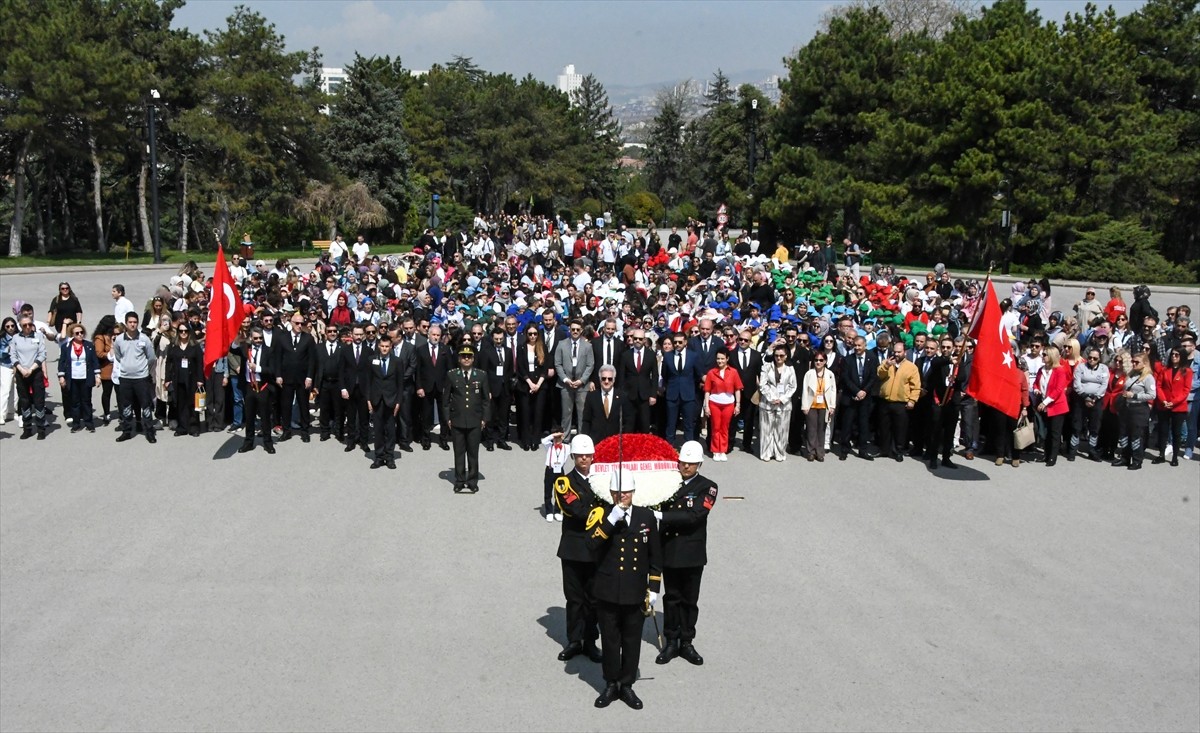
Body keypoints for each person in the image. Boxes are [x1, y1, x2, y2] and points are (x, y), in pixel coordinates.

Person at [587, 471, 661, 710]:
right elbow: (591, 545)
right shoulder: (601, 514)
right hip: (607, 590)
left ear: (633, 492)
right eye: (618, 492)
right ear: (611, 493)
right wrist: (611, 519)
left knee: (631, 641)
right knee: (610, 641)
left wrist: (654, 588)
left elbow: (655, 557)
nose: (623, 496)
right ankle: (610, 683)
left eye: (627, 492)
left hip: (634, 591)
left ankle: (627, 684)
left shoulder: (646, 517)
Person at [653, 440, 715, 667]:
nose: (685, 467)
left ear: (699, 464)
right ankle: (671, 639)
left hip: (692, 552)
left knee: (690, 599)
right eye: (682, 463)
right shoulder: (668, 483)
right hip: (669, 550)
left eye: (690, 464)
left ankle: (687, 640)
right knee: (671, 598)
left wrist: (663, 518)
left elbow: (695, 516)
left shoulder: (708, 487)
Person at [554, 434, 604, 665]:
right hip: (574, 547)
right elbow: (576, 509)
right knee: (574, 598)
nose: (584, 459)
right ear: (573, 456)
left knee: (594, 598)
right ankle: (574, 640)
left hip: (598, 547)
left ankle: (590, 640)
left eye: (587, 455)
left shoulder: (603, 479)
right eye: (580, 455)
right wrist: (603, 513)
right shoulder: (564, 481)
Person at [443, 345, 491, 493]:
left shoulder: (481, 375)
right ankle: (459, 480)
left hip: (475, 420)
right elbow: (445, 400)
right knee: (458, 452)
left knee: (473, 452)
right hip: (457, 419)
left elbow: (485, 400)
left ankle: (472, 480)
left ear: (473, 358)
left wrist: (484, 418)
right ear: (459, 358)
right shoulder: (452, 375)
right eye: (463, 356)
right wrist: (447, 419)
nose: (466, 359)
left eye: (469, 356)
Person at [112, 311, 157, 444]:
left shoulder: (144, 339)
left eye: (135, 322)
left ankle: (149, 431)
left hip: (141, 377)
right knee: (126, 406)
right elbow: (118, 356)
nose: (132, 324)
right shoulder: (119, 339)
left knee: (146, 406)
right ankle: (126, 431)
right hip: (125, 378)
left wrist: (143, 369)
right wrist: (128, 366)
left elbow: (151, 358)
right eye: (130, 322)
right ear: (126, 323)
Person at [876, 341, 920, 461]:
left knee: (900, 428)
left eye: (899, 352)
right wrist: (887, 365)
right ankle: (884, 450)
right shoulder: (887, 362)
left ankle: (898, 451)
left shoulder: (911, 367)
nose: (896, 354)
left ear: (904, 352)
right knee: (884, 427)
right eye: (894, 351)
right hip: (885, 400)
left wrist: (912, 400)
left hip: (901, 402)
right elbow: (879, 375)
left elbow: (915, 386)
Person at [238, 326, 278, 454]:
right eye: (256, 338)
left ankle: (268, 443)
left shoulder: (269, 351)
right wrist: (237, 340)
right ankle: (248, 442)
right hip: (249, 386)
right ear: (251, 338)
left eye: (260, 338)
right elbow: (233, 349)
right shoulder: (245, 349)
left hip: (263, 386)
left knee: (265, 416)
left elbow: (272, 370)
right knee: (249, 416)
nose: (258, 340)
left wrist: (258, 368)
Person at [366, 333, 403, 470]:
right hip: (376, 399)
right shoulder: (371, 360)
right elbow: (368, 381)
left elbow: (400, 384)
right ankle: (379, 457)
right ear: (378, 346)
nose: (384, 348)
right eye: (382, 346)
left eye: (387, 346)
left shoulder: (397, 361)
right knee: (378, 429)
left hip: (391, 400)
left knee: (390, 430)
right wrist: (368, 399)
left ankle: (390, 457)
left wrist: (399, 401)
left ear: (391, 347)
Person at [1112, 352, 1155, 470]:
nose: (1134, 364)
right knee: (1124, 434)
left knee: (1136, 436)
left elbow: (1152, 395)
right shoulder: (1131, 374)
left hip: (1139, 409)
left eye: (1137, 362)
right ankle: (1125, 457)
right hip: (1127, 407)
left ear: (1145, 363)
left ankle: (1137, 460)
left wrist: (1135, 396)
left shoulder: (1148, 377)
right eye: (1133, 362)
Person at [838, 336, 877, 461]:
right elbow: (845, 378)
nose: (857, 348)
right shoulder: (847, 359)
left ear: (865, 345)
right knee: (847, 424)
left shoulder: (872, 358)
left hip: (865, 397)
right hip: (851, 396)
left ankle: (863, 450)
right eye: (855, 345)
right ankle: (844, 449)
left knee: (863, 425)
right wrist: (857, 391)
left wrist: (864, 391)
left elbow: (873, 377)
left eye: (859, 345)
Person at [415, 324, 452, 450]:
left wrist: (449, 387)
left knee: (443, 414)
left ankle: (443, 439)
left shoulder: (445, 349)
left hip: (442, 387)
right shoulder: (421, 350)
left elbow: (450, 370)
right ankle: (426, 439)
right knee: (426, 415)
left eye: (438, 335)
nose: (435, 337)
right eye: (433, 335)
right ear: (429, 335)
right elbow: (418, 371)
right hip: (426, 387)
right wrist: (419, 387)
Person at [10, 316, 48, 439]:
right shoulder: (16, 338)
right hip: (21, 372)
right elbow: (13, 355)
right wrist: (21, 369)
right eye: (24, 325)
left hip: (35, 371)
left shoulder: (38, 336)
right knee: (24, 400)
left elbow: (42, 354)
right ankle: (27, 428)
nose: (27, 327)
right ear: (20, 326)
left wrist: (31, 369)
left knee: (39, 400)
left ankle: (41, 428)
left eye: (29, 324)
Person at [476, 327, 514, 451]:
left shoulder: (508, 351)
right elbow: (484, 372)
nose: (498, 341)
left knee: (503, 416)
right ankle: (490, 441)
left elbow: (509, 370)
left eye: (501, 339)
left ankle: (501, 440)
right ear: (492, 338)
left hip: (505, 388)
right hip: (492, 388)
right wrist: (487, 390)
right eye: (496, 339)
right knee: (490, 416)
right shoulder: (486, 351)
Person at [701, 349, 742, 461]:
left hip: (728, 404)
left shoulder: (733, 372)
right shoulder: (711, 372)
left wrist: (737, 405)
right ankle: (715, 450)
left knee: (725, 428)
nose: (720, 361)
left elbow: (737, 389)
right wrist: (707, 406)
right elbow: (707, 391)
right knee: (715, 427)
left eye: (722, 358)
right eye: (718, 358)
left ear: (727, 359)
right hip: (714, 403)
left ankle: (722, 450)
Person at [1033, 345, 1070, 466]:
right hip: (1045, 406)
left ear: (1052, 356)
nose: (1042, 356)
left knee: (1055, 433)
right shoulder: (1041, 370)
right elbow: (1036, 384)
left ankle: (1052, 457)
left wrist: (1045, 402)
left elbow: (1058, 390)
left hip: (1056, 406)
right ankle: (1046, 454)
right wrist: (1036, 389)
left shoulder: (1060, 371)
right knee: (1046, 432)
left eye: (1045, 355)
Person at [554, 319, 594, 435]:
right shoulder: (561, 344)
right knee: (566, 413)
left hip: (582, 385)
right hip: (566, 384)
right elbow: (558, 363)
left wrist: (582, 380)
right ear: (569, 330)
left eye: (577, 329)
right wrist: (565, 379)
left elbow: (590, 365)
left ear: (581, 330)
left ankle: (581, 437)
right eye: (573, 329)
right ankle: (565, 438)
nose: (575, 331)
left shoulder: (587, 346)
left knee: (582, 413)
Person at [758, 345, 797, 462]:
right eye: (776, 355)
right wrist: (771, 398)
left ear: (786, 356)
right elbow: (762, 384)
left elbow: (793, 386)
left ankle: (780, 452)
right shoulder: (766, 367)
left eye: (781, 355)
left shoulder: (790, 369)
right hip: (767, 403)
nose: (778, 358)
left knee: (782, 430)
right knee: (766, 429)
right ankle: (766, 452)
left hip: (784, 404)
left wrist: (782, 399)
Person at [164, 323, 204, 436]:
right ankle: (182, 427)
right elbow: (168, 363)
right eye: (181, 331)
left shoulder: (195, 346)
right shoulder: (173, 346)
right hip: (178, 378)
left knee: (192, 403)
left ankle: (194, 427)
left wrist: (200, 379)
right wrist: (167, 379)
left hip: (192, 378)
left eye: (185, 331)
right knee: (180, 403)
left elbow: (200, 364)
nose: (183, 333)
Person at [1153, 348, 1191, 466]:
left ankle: (1175, 456)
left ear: (1182, 357)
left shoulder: (1187, 371)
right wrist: (1163, 400)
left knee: (1176, 432)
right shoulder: (1165, 370)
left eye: (1177, 355)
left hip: (1178, 407)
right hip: (1164, 405)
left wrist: (1173, 402)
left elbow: (1186, 390)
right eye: (1173, 354)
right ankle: (1161, 455)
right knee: (1163, 431)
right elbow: (1158, 386)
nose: (1174, 356)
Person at [1071, 347, 1109, 461]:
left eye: (1095, 358)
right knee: (1076, 425)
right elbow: (1077, 383)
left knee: (1095, 426)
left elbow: (1104, 385)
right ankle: (1073, 449)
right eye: (1090, 357)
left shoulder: (1103, 368)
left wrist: (1095, 397)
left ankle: (1092, 450)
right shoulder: (1080, 367)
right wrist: (1085, 396)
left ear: (1099, 359)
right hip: (1081, 398)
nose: (1092, 360)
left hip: (1096, 400)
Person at [515, 325, 549, 450]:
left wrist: (538, 384)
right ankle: (526, 440)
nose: (533, 336)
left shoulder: (542, 347)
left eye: (535, 333)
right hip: (525, 385)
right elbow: (520, 367)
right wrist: (530, 383)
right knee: (525, 414)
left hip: (540, 385)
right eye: (530, 334)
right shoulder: (521, 348)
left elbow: (545, 368)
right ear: (526, 334)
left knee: (538, 414)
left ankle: (535, 440)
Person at [339, 325, 372, 453]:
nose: (358, 337)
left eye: (360, 334)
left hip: (363, 389)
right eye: (356, 334)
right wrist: (342, 388)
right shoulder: (345, 350)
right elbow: (341, 371)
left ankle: (364, 442)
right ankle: (351, 442)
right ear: (351, 335)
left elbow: (371, 373)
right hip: (349, 389)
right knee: (351, 418)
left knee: (364, 419)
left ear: (363, 335)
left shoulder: (369, 351)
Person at [619, 328, 659, 433]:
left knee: (645, 424)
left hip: (645, 395)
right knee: (629, 425)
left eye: (640, 339)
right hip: (629, 395)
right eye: (635, 338)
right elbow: (621, 376)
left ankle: (643, 448)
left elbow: (655, 376)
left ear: (644, 340)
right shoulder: (626, 355)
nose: (637, 341)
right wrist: (621, 394)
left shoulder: (651, 355)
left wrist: (653, 395)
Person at [729, 329, 761, 454]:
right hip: (734, 393)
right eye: (740, 339)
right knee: (733, 421)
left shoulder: (756, 355)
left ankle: (747, 444)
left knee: (749, 421)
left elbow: (760, 374)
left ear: (750, 341)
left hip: (750, 393)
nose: (742, 342)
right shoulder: (731, 354)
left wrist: (760, 392)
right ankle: (730, 443)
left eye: (745, 340)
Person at [800, 351, 836, 461]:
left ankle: (820, 452)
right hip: (811, 405)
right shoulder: (809, 374)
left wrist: (832, 406)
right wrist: (804, 406)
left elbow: (833, 390)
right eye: (816, 360)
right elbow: (805, 390)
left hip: (824, 405)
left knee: (822, 430)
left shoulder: (830, 374)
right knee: (811, 429)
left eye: (821, 360)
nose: (818, 362)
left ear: (825, 361)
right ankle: (811, 451)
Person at [582, 365, 630, 443]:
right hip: (596, 441)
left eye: (610, 379)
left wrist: (625, 439)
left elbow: (628, 420)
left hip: (616, 442)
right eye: (603, 378)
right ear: (600, 379)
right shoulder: (591, 396)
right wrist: (585, 440)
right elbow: (586, 421)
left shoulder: (622, 396)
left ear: (614, 380)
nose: (606, 381)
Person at [540, 431, 571, 521]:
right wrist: (553, 435)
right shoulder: (549, 446)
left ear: (562, 438)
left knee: (560, 491)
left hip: (560, 471)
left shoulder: (567, 447)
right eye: (555, 438)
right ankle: (549, 512)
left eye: (559, 437)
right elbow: (543, 441)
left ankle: (557, 511)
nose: (557, 440)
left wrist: (562, 435)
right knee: (548, 490)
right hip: (550, 470)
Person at [0, 317, 20, 425]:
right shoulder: (2, 339)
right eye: (8, 326)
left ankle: (11, 412)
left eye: (12, 326)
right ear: (4, 327)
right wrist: (7, 350)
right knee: (5, 390)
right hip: (5, 366)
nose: (10, 328)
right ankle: (1, 414)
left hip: (17, 366)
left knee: (15, 391)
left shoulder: (19, 337)